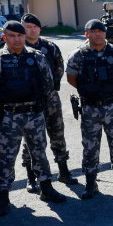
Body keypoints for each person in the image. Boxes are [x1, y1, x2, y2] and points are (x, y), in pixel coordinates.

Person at [0, 21, 67, 215]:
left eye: (20, 35)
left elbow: (48, 83)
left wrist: (35, 104)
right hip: (9, 116)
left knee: (39, 152)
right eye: (12, 36)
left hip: (34, 114)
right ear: (4, 37)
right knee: (6, 157)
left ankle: (46, 188)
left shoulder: (37, 57)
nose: (17, 39)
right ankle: (3, 196)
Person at [66, 20, 113, 199]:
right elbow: (71, 78)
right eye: (93, 31)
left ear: (105, 33)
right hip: (90, 108)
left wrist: (110, 92)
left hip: (111, 105)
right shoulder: (78, 55)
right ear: (86, 34)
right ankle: (91, 182)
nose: (98, 34)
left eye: (101, 31)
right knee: (90, 146)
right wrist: (90, 92)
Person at [19, 13, 78, 189]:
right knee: (29, 139)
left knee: (57, 134)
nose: (32, 29)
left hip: (50, 98)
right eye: (28, 26)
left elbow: (59, 68)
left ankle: (64, 171)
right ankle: (32, 177)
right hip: (27, 101)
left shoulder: (49, 47)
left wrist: (48, 86)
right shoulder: (17, 47)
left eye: (35, 27)